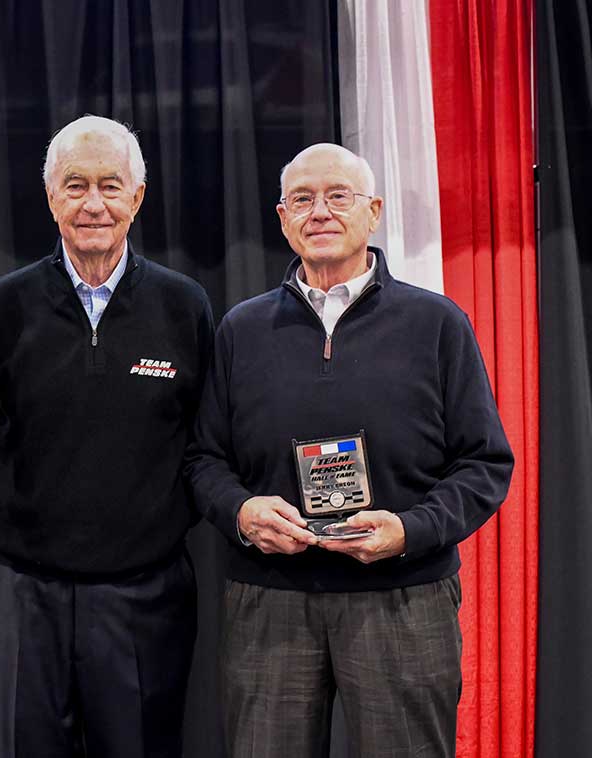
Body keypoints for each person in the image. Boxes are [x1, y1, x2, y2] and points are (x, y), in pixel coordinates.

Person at [185, 143, 514, 757]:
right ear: (282, 219)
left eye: (339, 196)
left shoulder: (437, 323)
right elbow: (203, 460)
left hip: (404, 596)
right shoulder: (242, 330)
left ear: (374, 212)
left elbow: (485, 463)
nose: (320, 212)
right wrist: (240, 512)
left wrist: (411, 531)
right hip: (270, 599)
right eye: (302, 200)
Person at [0, 115, 214, 757]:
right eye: (75, 185)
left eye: (111, 185)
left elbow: (203, 442)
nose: (94, 203)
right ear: (51, 197)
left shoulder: (184, 306)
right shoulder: (1, 307)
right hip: (24, 594)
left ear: (138, 197)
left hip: (145, 598)